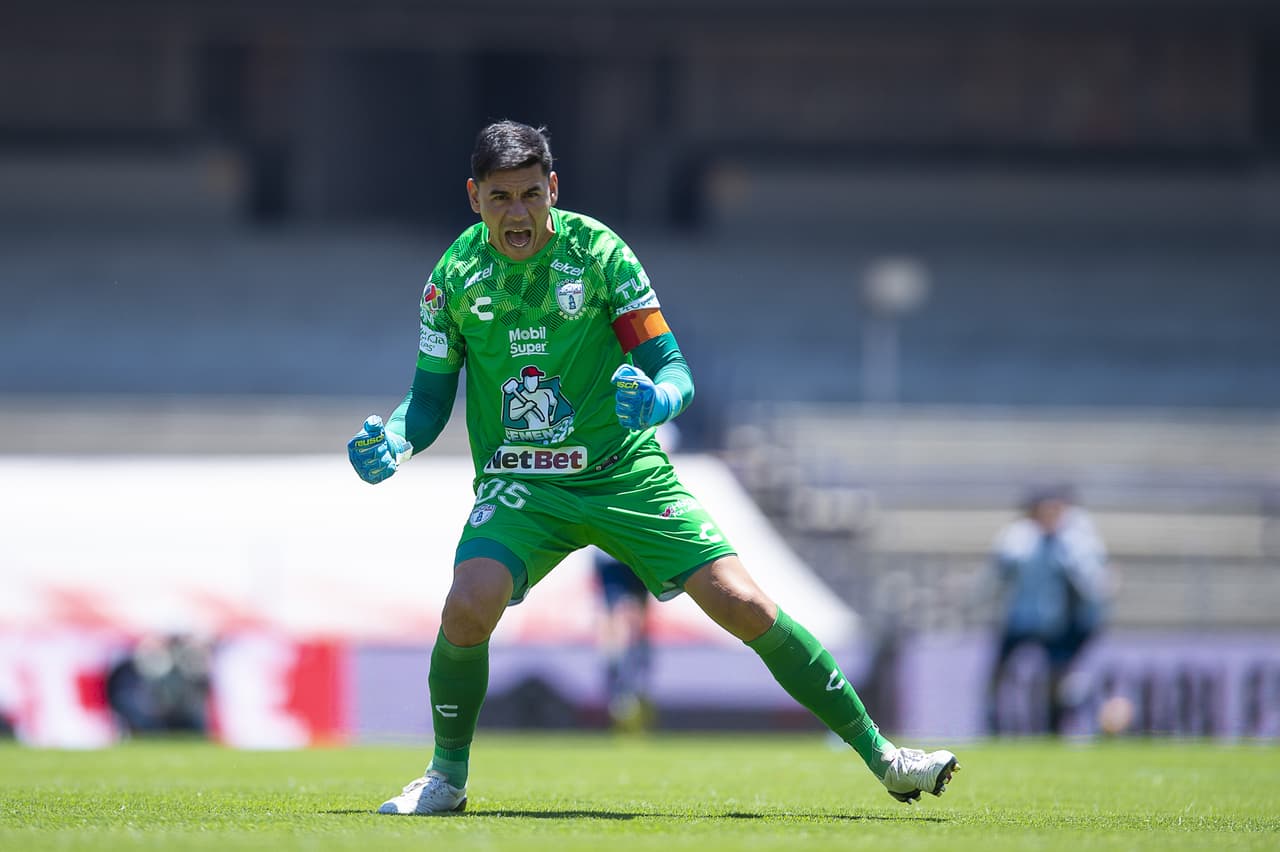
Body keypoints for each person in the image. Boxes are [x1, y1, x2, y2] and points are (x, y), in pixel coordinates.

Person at [347, 120, 958, 815]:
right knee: (468, 602)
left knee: (745, 602)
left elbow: (672, 369)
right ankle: (445, 779)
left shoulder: (601, 255)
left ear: (552, 187)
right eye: (499, 198)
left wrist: (657, 401)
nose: (516, 213)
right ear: (473, 197)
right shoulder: (452, 279)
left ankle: (886, 758)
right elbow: (428, 401)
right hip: (523, 484)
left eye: (528, 194)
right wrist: (394, 441)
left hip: (622, 471)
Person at [984, 485, 1110, 735]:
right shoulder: (1020, 537)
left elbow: (1091, 581)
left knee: (1055, 678)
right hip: (1021, 618)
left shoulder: (1075, 538)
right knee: (999, 673)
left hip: (1056, 621)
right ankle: (994, 723)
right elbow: (1001, 569)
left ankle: (1053, 727)